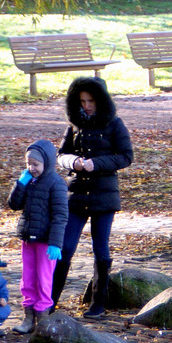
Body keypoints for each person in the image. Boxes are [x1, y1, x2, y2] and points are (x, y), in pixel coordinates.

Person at [56, 76, 134, 320]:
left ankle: (98, 303)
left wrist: (96, 164)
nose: (86, 106)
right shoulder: (74, 125)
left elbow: (126, 156)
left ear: (101, 101)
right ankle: (49, 300)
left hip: (104, 196)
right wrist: (73, 162)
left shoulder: (114, 124)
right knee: (65, 247)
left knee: (100, 246)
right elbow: (60, 154)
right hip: (76, 194)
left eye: (90, 101)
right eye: (82, 101)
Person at [8, 138, 68, 334]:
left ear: (47, 163)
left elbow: (60, 215)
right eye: (28, 164)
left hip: (46, 241)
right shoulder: (28, 181)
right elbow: (14, 204)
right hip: (28, 238)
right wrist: (20, 185)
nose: (31, 168)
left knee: (43, 279)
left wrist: (55, 243)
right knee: (28, 279)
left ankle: (42, 316)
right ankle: (28, 316)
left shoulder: (56, 184)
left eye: (36, 164)